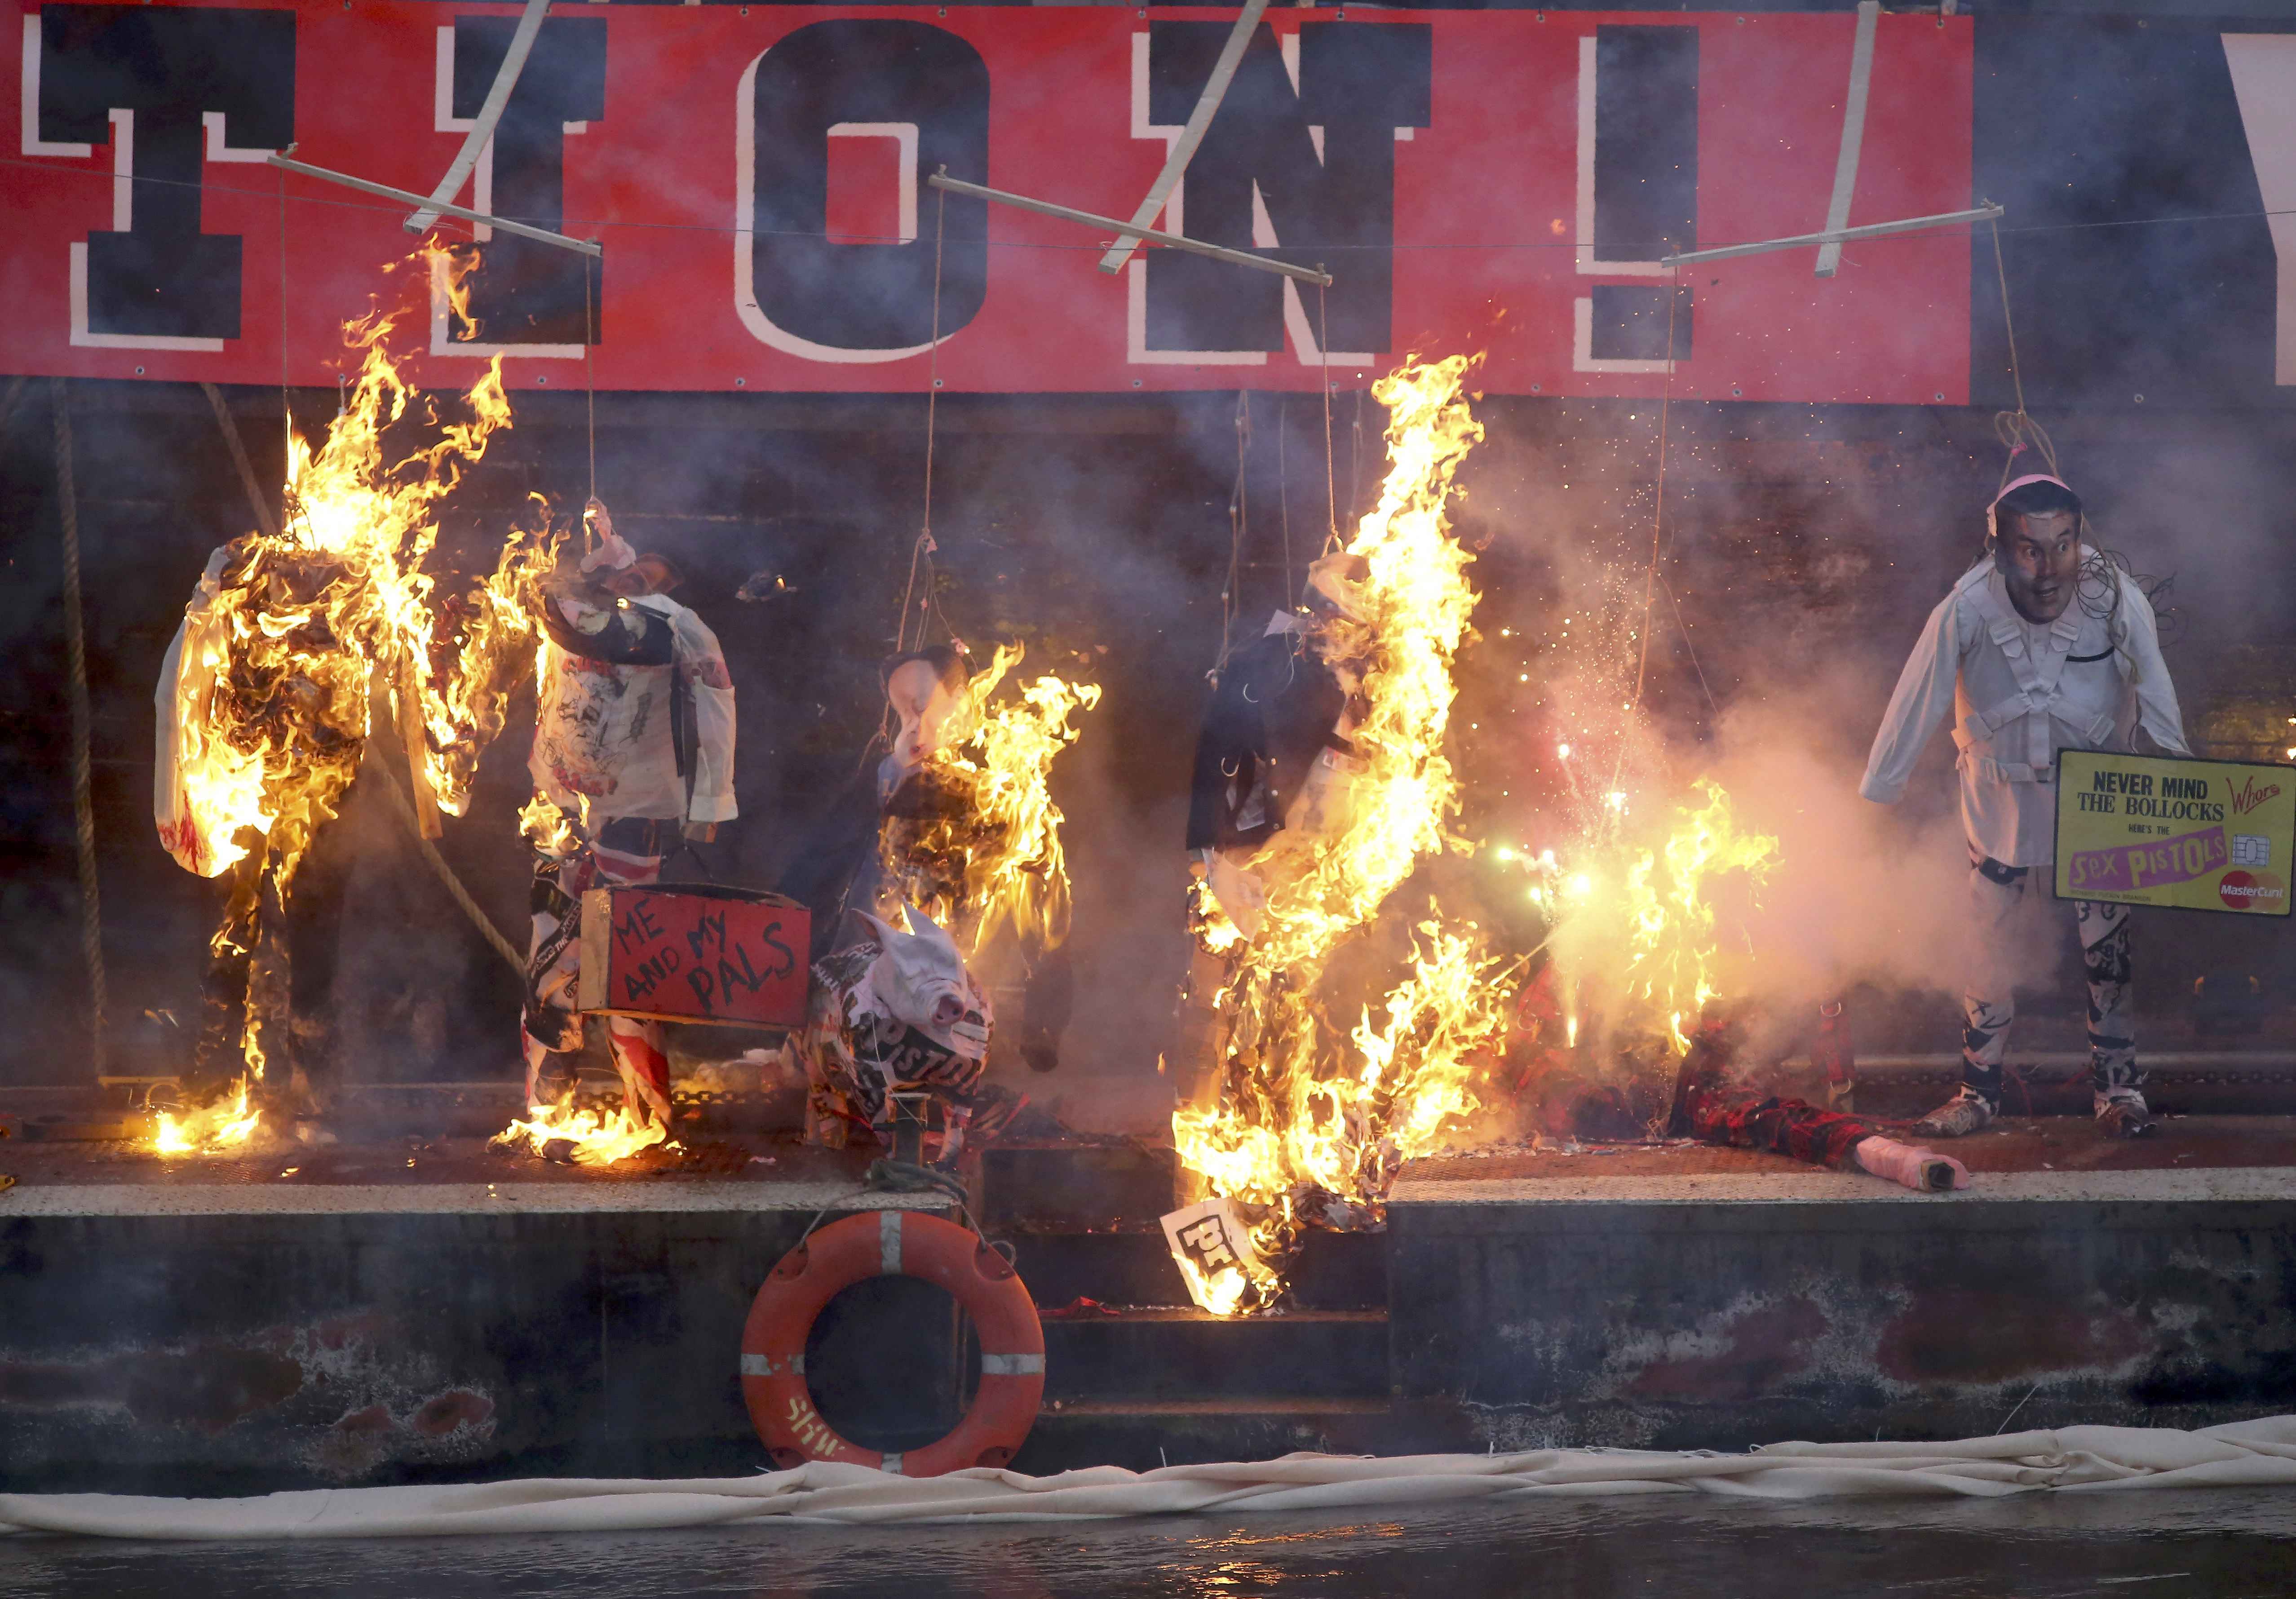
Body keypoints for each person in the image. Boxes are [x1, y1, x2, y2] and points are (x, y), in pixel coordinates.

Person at [1861, 474, 2188, 1139]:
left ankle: (2119, 1089)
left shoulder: (2113, 596)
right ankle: (1977, 1092)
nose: (2048, 568)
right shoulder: (1965, 607)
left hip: (2097, 805)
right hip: (1998, 804)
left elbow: (2153, 677)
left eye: (2062, 545)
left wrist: (2182, 778)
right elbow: (1917, 695)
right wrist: (1882, 787)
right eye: (2030, 549)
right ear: (2001, 548)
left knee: (2109, 956)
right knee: (1986, 950)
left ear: (2079, 539)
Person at [520, 500, 736, 1127]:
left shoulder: (682, 630)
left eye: (656, 574)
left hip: (636, 811)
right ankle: (546, 1104)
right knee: (549, 947)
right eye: (639, 566)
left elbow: (717, 708)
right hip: (558, 805)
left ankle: (648, 1115)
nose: (640, 578)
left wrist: (711, 800)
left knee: (628, 956)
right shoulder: (564, 607)